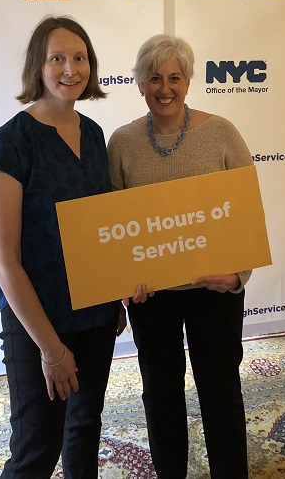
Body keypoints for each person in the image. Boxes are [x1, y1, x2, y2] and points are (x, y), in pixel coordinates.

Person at [0, 16, 121, 479]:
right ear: (38, 66)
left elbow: (102, 229)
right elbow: (3, 261)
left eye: (79, 57)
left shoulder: (96, 135)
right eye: (57, 57)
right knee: (36, 451)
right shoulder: (12, 142)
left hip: (95, 314)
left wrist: (115, 292)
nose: (70, 68)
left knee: (84, 428)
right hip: (37, 321)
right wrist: (50, 349)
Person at [107, 34, 252, 479]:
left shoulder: (221, 132)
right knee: (161, 393)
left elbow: (247, 211)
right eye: (154, 78)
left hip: (216, 290)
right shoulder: (122, 143)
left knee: (220, 391)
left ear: (188, 81)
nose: (164, 87)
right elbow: (113, 227)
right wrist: (121, 288)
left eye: (174, 77)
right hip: (152, 298)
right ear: (139, 84)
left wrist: (238, 276)